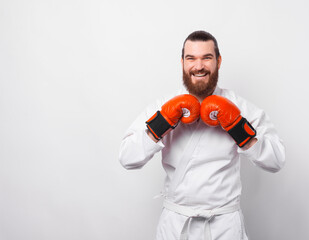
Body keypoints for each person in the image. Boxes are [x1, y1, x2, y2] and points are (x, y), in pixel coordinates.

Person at [118, 30, 285, 240]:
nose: (199, 66)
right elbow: (127, 158)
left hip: (224, 225)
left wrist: (237, 127)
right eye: (191, 58)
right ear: (182, 62)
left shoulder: (240, 107)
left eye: (207, 58)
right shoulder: (162, 107)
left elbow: (276, 160)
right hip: (176, 225)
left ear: (218, 61)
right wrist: (162, 123)